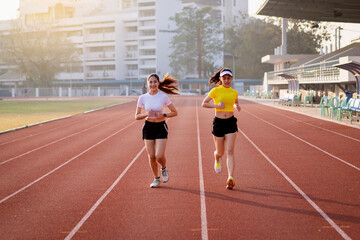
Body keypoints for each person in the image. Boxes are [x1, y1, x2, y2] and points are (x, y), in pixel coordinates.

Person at [135, 73, 179, 188]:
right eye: (151, 82)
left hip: (160, 127)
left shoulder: (163, 97)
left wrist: (163, 114)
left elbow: (175, 112)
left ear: (158, 83)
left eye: (155, 82)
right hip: (148, 127)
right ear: (147, 84)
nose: (153, 84)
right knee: (151, 156)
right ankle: (156, 178)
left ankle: (164, 168)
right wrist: (145, 114)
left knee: (159, 155)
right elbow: (136, 116)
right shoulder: (142, 98)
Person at [202, 68, 241, 190]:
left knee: (230, 151)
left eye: (229, 78)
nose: (227, 80)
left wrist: (237, 106)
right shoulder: (215, 90)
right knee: (220, 152)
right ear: (220, 79)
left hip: (230, 122)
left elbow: (235, 102)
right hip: (218, 123)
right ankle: (217, 158)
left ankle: (230, 177)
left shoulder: (234, 92)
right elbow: (204, 103)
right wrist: (216, 105)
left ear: (231, 79)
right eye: (224, 78)